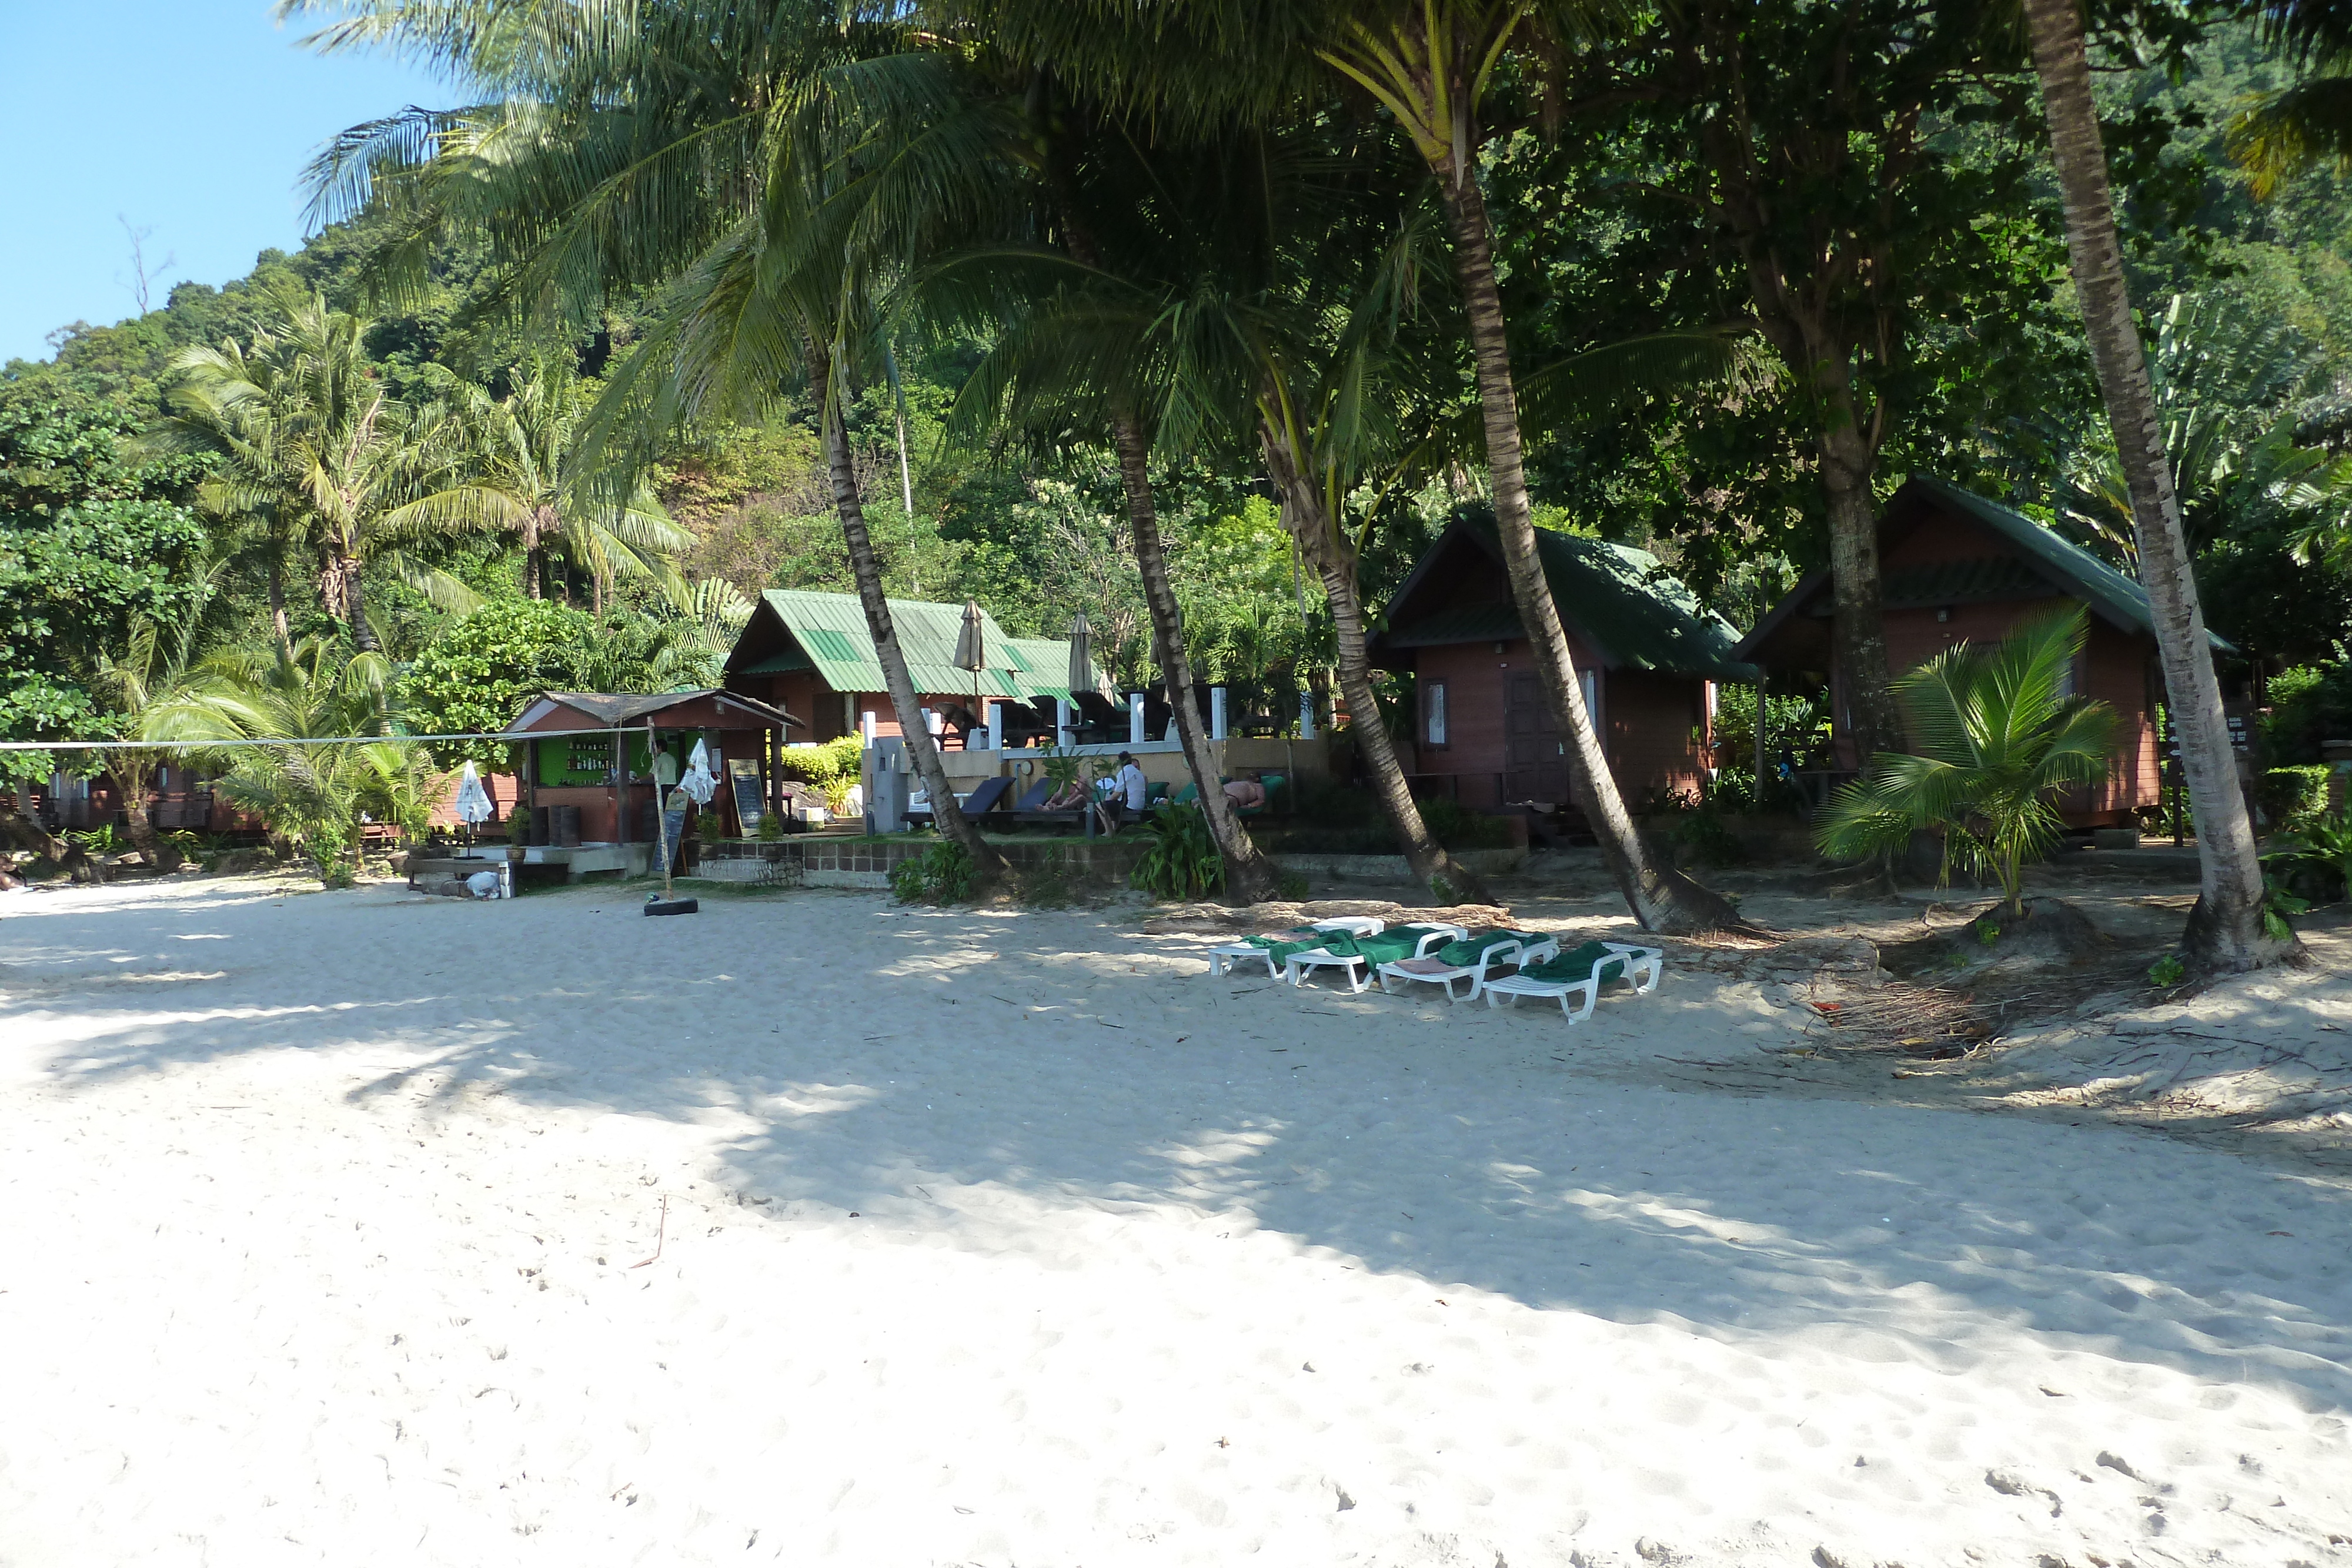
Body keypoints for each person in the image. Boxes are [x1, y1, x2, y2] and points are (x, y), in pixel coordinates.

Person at [1114, 752, 1149, 817]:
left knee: (1101, 806)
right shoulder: (1140, 774)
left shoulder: (1124, 772)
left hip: (1129, 806)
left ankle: (1110, 827)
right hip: (1140, 806)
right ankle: (1113, 825)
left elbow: (1117, 793)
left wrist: (1107, 801)